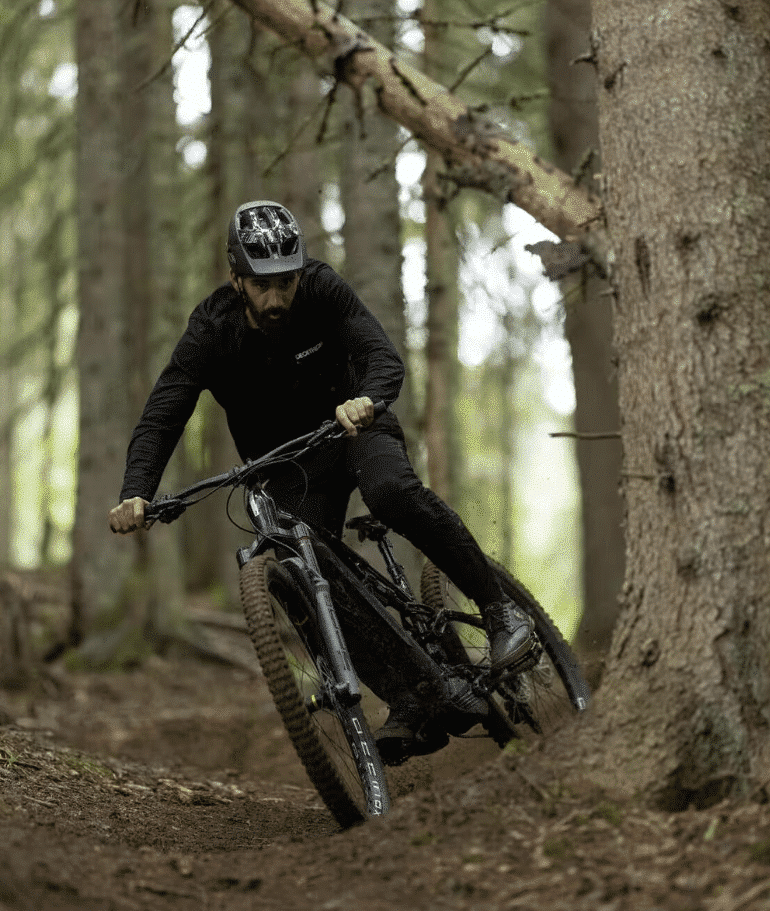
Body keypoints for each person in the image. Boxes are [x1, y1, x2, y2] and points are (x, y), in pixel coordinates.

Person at [108, 199, 533, 751]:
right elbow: (163, 414)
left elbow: (382, 356)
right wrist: (136, 491)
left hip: (355, 427)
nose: (277, 296)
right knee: (304, 577)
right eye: (262, 285)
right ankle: (414, 696)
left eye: (285, 282)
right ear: (236, 279)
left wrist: (368, 401)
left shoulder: (324, 291)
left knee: (391, 493)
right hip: (288, 464)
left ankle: (500, 610)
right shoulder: (210, 331)